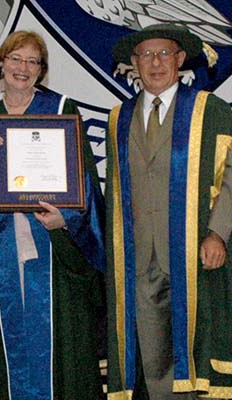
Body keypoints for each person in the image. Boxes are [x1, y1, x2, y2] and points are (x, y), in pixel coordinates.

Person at [0, 30, 107, 400]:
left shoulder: (62, 112)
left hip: (54, 249)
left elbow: (84, 181)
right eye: (15, 59)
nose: (23, 68)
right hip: (4, 252)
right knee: (13, 345)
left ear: (42, 71)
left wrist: (66, 221)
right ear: (1, 63)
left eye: (32, 61)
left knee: (62, 351)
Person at [106, 23, 232, 399]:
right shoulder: (119, 118)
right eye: (146, 55)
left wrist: (218, 233)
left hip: (195, 251)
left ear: (180, 59)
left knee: (200, 349)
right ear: (134, 63)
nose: (156, 62)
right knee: (154, 358)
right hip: (140, 256)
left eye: (164, 54)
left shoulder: (210, 111)